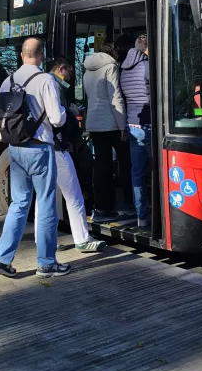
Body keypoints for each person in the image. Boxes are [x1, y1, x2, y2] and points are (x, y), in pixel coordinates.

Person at [0, 37, 71, 278]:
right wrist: (66, 112)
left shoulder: (8, 80)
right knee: (45, 204)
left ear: (22, 55)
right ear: (42, 56)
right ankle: (46, 263)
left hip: (14, 149)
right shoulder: (46, 80)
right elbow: (56, 119)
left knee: (19, 203)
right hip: (39, 149)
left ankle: (2, 259)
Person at [36, 57, 106, 252]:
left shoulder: (36, 81)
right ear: (60, 69)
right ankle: (82, 239)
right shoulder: (53, 84)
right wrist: (70, 112)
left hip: (39, 145)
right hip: (56, 146)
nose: (69, 77)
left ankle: (43, 239)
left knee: (45, 196)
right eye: (68, 72)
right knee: (73, 194)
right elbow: (57, 118)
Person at [83, 41, 131, 223]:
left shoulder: (88, 69)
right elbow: (116, 97)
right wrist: (122, 127)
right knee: (125, 164)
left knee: (101, 167)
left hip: (94, 123)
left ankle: (102, 207)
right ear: (113, 52)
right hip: (111, 123)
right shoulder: (111, 66)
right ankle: (126, 204)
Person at [119, 34, 151, 230]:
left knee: (137, 173)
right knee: (159, 169)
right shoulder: (147, 67)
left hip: (132, 125)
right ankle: (162, 210)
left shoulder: (123, 69)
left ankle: (142, 217)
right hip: (148, 124)